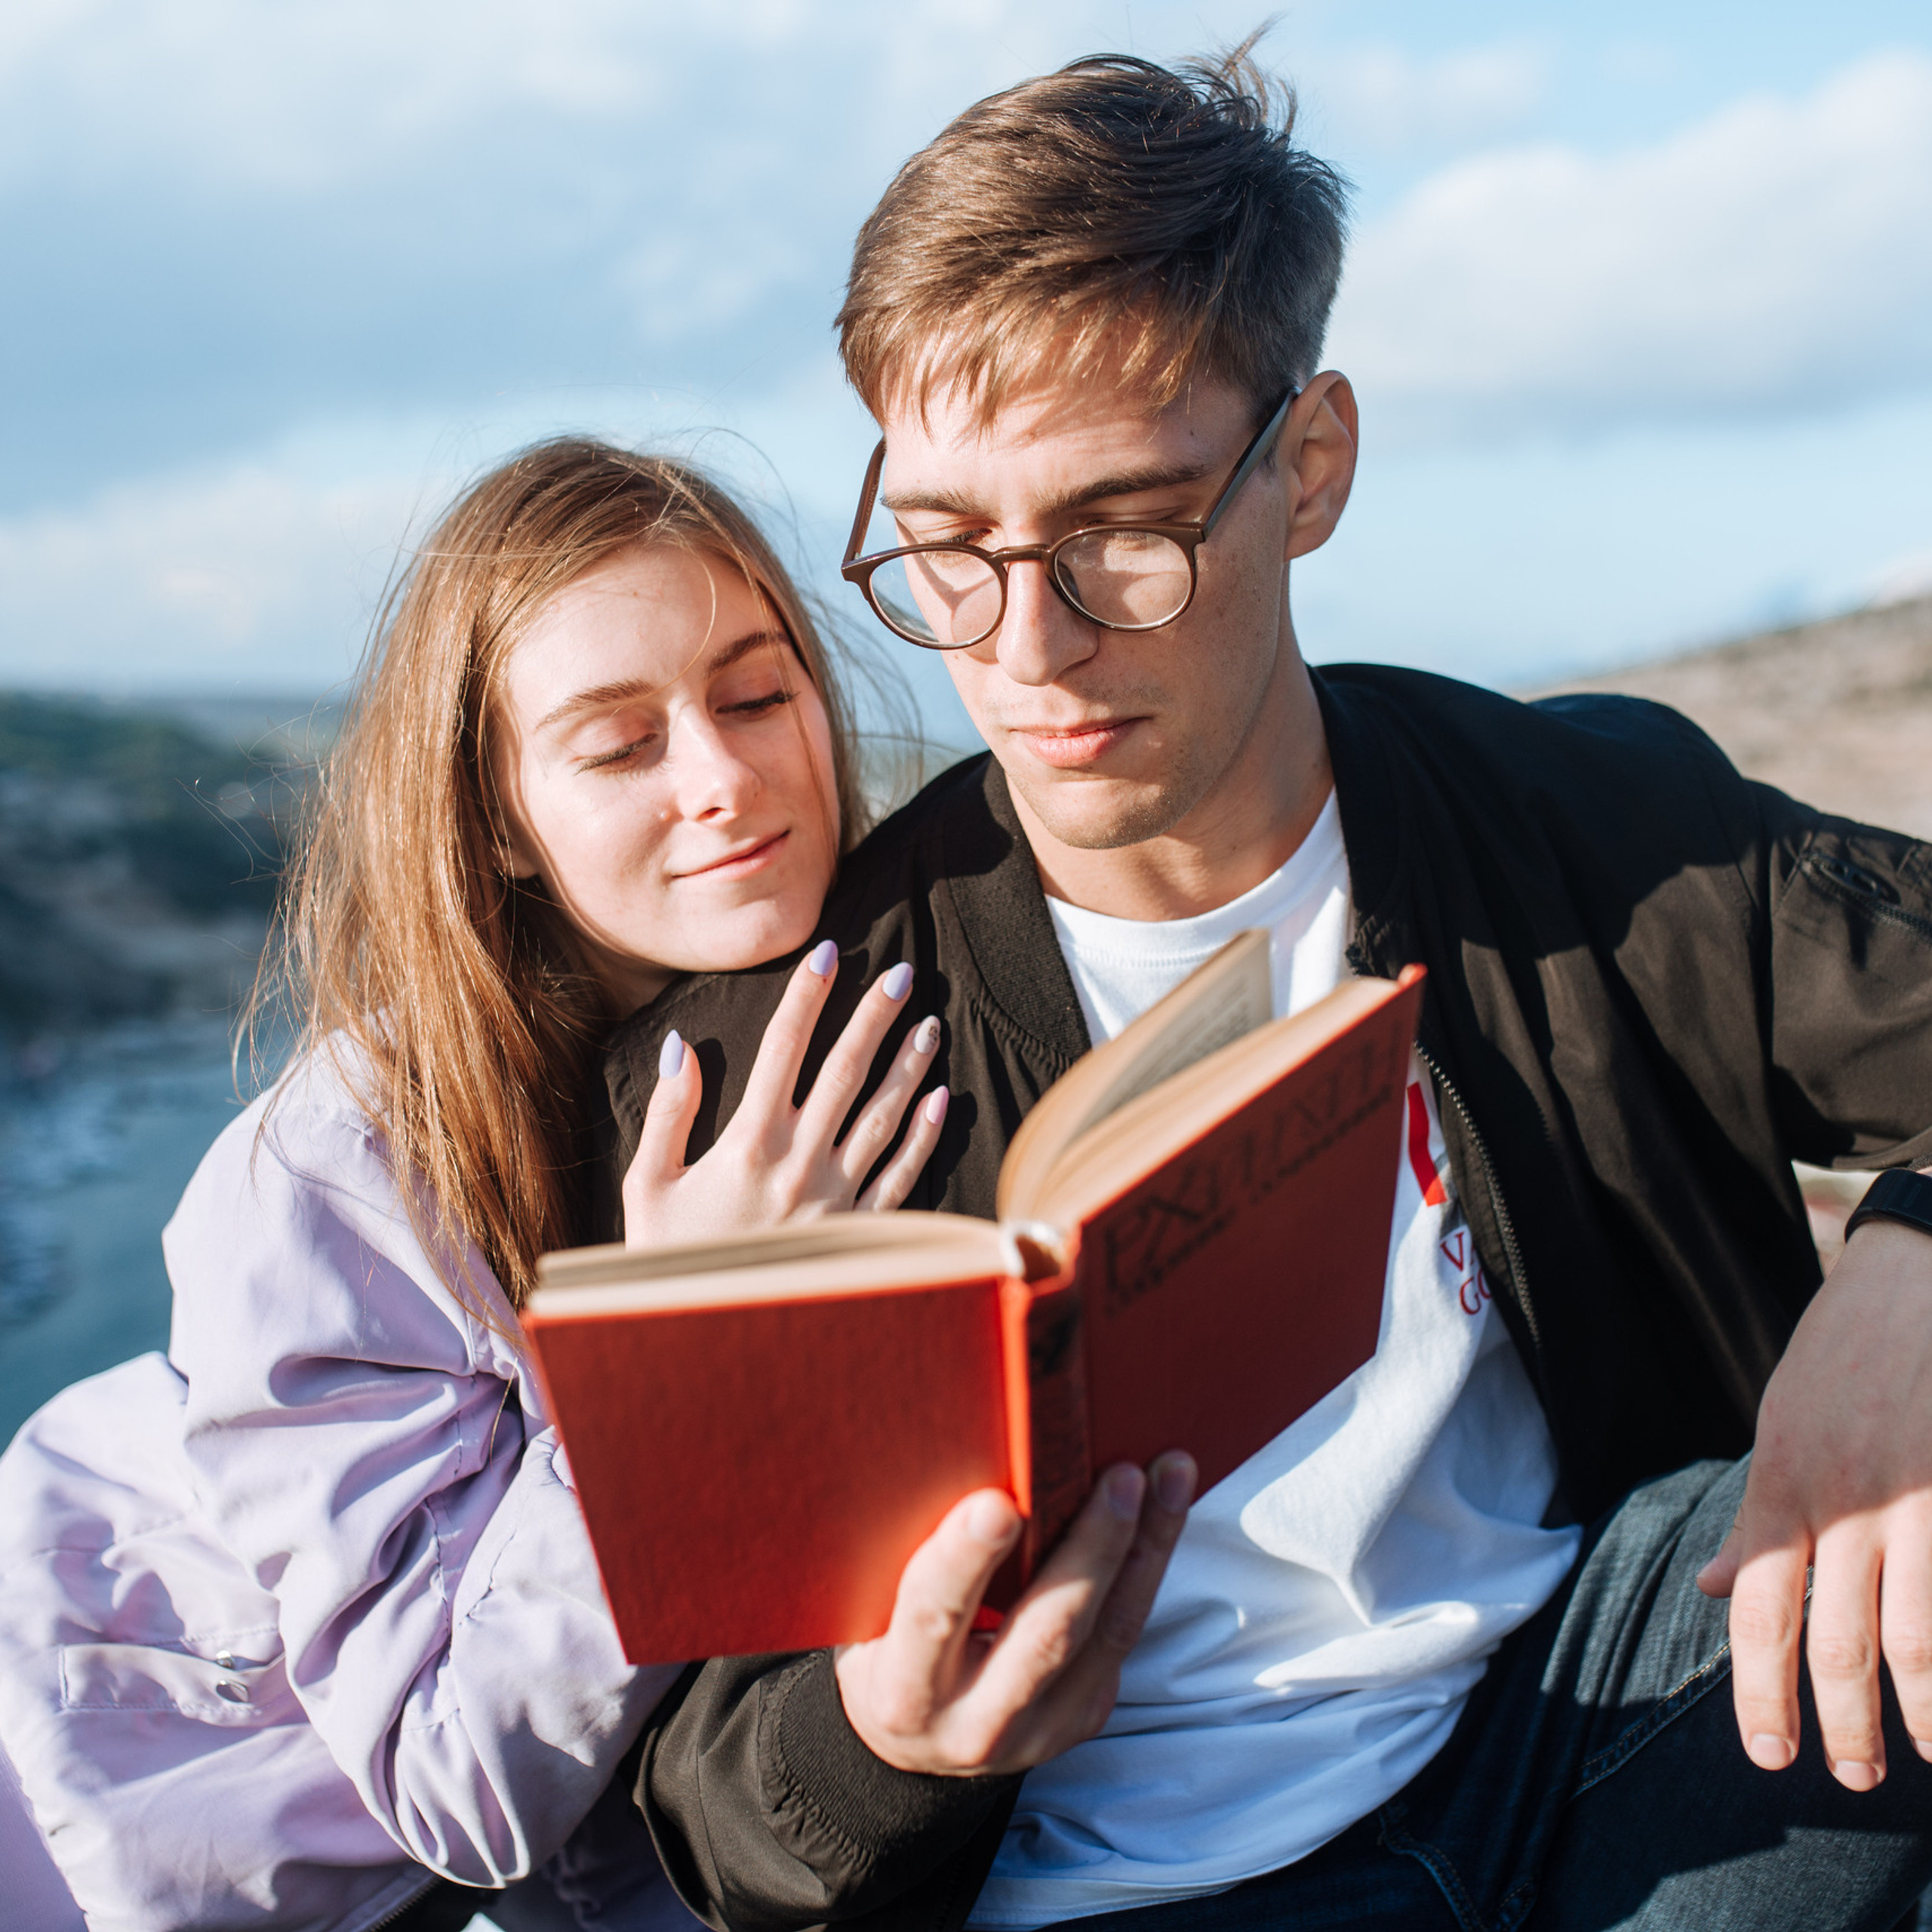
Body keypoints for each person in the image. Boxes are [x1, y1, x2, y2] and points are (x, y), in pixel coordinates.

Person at [596, 48, 1932, 1932]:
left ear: (1307, 467)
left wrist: (1913, 1269)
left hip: (1608, 1733)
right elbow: (726, 1811)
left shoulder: (1581, 825)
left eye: (1123, 532)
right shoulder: (776, 1070)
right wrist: (890, 1738)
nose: (1030, 646)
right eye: (947, 550)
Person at [0, 439, 952, 1932]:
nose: (721, 776)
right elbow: (462, 1792)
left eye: (758, 693)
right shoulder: (338, 1171)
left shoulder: (840, 1033)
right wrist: (684, 1336)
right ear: (499, 815)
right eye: (619, 742)